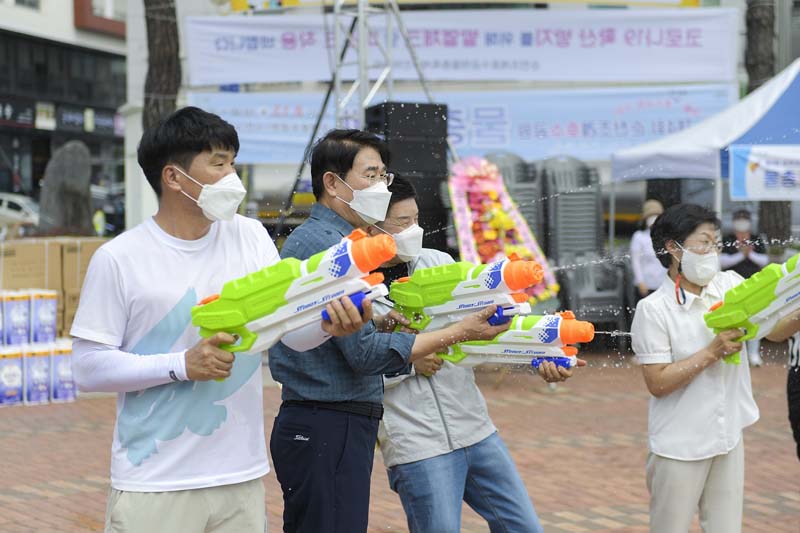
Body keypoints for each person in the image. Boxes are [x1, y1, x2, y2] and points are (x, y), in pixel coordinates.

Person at [70, 107, 368, 533]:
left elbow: (287, 333)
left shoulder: (250, 236)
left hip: (239, 478)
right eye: (218, 163)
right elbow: (87, 367)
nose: (233, 176)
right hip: (156, 481)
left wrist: (327, 326)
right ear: (173, 177)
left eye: (232, 162)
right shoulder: (120, 258)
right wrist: (181, 365)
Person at [268, 129, 511, 533]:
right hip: (326, 422)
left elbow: (333, 334)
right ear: (332, 183)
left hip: (339, 423)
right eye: (370, 175)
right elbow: (364, 355)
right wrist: (461, 332)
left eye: (384, 176)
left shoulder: (342, 241)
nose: (380, 186)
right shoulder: (327, 247)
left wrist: (379, 322)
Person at [368, 175, 579, 533]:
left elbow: (487, 332)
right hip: (418, 444)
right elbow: (352, 367)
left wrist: (540, 353)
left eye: (416, 219)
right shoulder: (357, 291)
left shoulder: (439, 264)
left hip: (476, 429)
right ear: (372, 227)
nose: (413, 230)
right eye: (402, 222)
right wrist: (409, 362)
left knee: (524, 527)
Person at [631, 203, 764, 533]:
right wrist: (712, 352)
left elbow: (772, 328)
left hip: (727, 436)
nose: (713, 251)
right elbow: (657, 382)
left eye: (716, 243)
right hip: (680, 445)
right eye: (704, 242)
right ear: (673, 248)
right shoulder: (654, 309)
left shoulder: (729, 286)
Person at [720, 209, 769, 367]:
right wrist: (741, 254)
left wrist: (749, 254)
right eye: (739, 219)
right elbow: (721, 261)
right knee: (733, 319)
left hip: (754, 284)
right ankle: (734, 351)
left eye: (744, 219)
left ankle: (753, 353)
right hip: (731, 286)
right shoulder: (727, 239)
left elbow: (764, 260)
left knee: (754, 318)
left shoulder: (756, 238)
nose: (742, 222)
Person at [630, 199, 667, 303]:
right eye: (651, 216)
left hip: (663, 285)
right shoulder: (639, 237)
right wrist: (640, 282)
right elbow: (635, 261)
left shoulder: (666, 237)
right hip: (646, 285)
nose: (653, 219)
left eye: (656, 215)